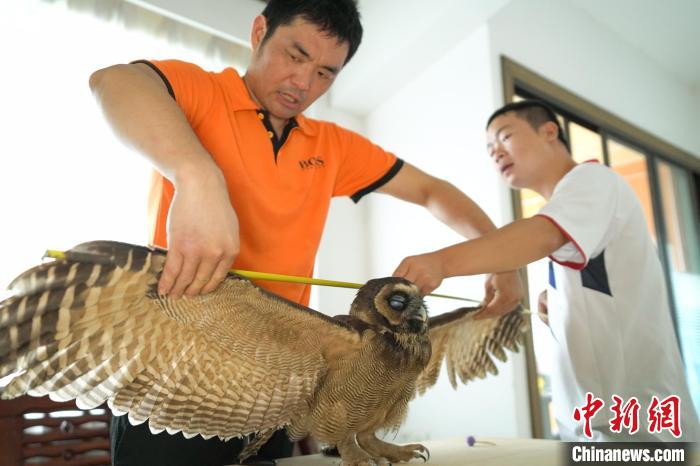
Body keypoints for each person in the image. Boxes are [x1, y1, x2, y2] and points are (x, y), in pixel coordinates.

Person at [90, 1, 523, 464]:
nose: (303, 83)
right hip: (173, 371)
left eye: (325, 73)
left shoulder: (332, 145)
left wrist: (500, 258)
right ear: (259, 32)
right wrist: (197, 174)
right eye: (295, 56)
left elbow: (432, 190)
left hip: (277, 382)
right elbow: (113, 81)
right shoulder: (201, 92)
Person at [394, 100, 700, 442]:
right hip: (595, 430)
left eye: (504, 137)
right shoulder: (573, 210)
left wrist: (441, 263)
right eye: (489, 150)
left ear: (549, 131)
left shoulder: (593, 179)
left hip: (640, 431)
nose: (496, 153)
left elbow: (542, 235)